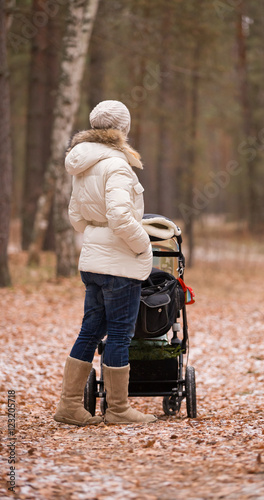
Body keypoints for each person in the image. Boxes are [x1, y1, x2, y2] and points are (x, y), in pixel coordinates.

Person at [54, 100, 156, 426]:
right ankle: (118, 409)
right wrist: (143, 247)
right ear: (122, 129)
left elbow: (75, 215)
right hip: (120, 265)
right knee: (119, 335)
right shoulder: (116, 164)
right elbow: (120, 216)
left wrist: (97, 236)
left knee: (89, 331)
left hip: (93, 261)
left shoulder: (83, 162)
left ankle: (70, 406)